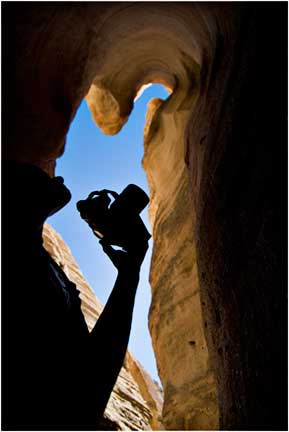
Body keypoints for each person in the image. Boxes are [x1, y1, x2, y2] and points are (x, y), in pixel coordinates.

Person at [2, 161, 148, 431]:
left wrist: (130, 273)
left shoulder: (44, 264)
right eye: (33, 173)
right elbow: (81, 391)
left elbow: (88, 373)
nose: (57, 179)